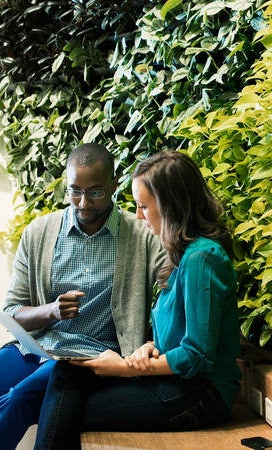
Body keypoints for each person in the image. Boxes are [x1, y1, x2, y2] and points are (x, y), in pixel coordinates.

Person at [34, 151, 241, 450]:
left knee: (67, 411)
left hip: (201, 394)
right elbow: (181, 332)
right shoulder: (183, 257)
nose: (139, 216)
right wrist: (150, 346)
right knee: (67, 374)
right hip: (176, 382)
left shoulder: (203, 258)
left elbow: (197, 354)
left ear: (172, 206)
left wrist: (125, 368)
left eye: (144, 206)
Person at [0, 143, 165, 450]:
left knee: (15, 400)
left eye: (95, 192)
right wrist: (51, 311)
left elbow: (175, 288)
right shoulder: (39, 232)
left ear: (113, 185)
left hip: (85, 359)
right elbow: (13, 310)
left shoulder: (141, 236)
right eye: (74, 191)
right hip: (34, 349)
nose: (83, 203)